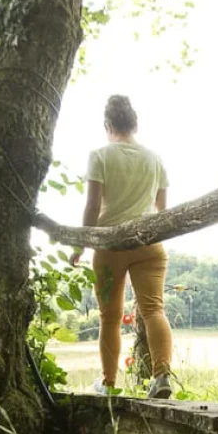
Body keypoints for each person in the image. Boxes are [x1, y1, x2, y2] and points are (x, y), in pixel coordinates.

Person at [71, 95, 176, 399]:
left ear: (107, 125)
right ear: (135, 123)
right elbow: (162, 209)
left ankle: (108, 382)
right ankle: (161, 376)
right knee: (154, 308)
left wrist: (79, 244)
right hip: (149, 243)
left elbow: (92, 207)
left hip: (110, 245)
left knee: (109, 317)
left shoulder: (100, 155)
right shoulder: (155, 159)